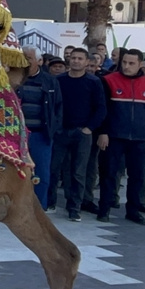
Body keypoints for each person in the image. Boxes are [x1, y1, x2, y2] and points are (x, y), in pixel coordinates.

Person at [96, 49, 145, 225]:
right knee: (108, 174)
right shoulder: (108, 80)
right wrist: (103, 132)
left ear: (140, 64)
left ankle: (133, 210)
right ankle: (104, 209)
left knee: (137, 176)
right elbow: (103, 109)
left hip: (139, 138)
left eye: (131, 63)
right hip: (113, 137)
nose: (126, 66)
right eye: (124, 62)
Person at [53, 48, 106, 222]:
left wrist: (90, 128)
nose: (76, 61)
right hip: (61, 132)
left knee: (79, 171)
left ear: (86, 62)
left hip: (82, 133)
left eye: (80, 58)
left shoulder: (94, 82)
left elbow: (101, 108)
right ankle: (50, 202)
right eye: (73, 58)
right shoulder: (59, 80)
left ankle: (75, 207)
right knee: (56, 169)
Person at [17, 46, 63, 210]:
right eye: (23, 57)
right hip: (16, 136)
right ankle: (17, 206)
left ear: (39, 61)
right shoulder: (14, 79)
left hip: (40, 135)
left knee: (41, 174)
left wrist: (54, 129)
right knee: (17, 173)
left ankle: (38, 208)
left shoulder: (50, 81)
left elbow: (58, 108)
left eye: (29, 58)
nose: (25, 61)